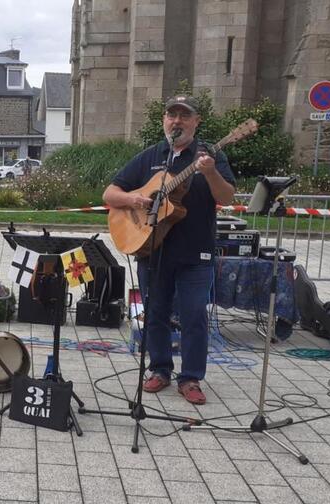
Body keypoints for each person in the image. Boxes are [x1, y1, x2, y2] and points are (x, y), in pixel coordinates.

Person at [102, 95, 236, 405]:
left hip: (195, 253)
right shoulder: (151, 156)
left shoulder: (208, 156)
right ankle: (159, 369)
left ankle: (190, 378)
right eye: (171, 115)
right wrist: (134, 201)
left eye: (184, 116)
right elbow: (110, 192)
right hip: (154, 250)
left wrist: (211, 172)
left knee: (193, 315)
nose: (177, 121)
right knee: (156, 314)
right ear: (164, 120)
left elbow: (227, 197)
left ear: (196, 121)